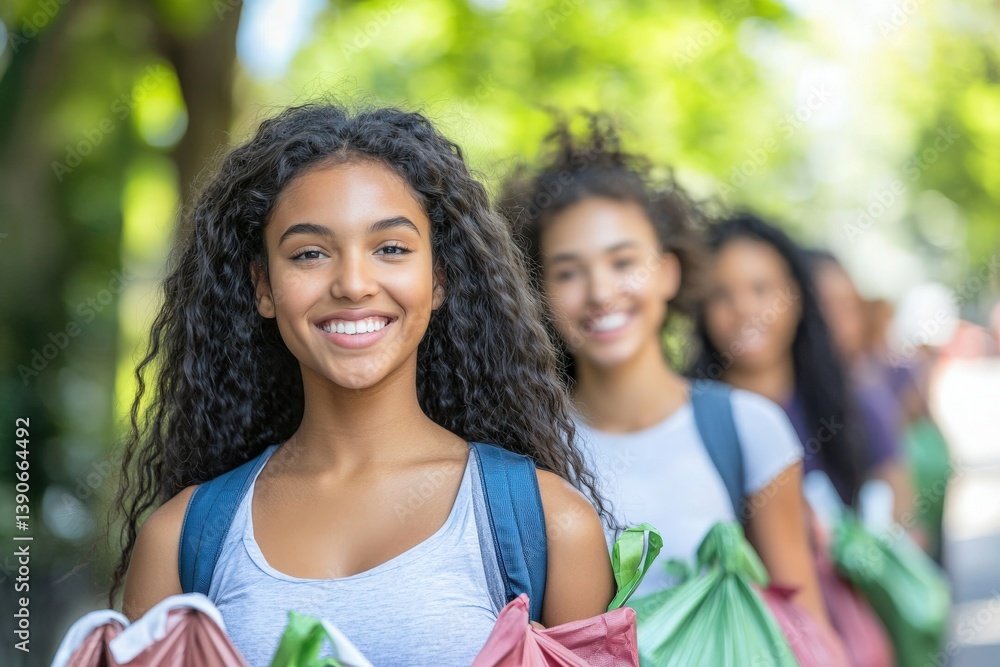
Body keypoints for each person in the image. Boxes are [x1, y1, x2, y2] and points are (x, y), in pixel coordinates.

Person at [110, 103, 614, 666]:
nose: (353, 283)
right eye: (310, 254)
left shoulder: (550, 527)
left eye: (391, 248)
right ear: (264, 287)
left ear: (439, 277)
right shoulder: (180, 541)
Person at [500, 117, 827, 623]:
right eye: (568, 272)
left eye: (623, 262)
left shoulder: (748, 428)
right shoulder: (519, 453)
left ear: (668, 272)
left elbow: (808, 629)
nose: (600, 292)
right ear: (539, 294)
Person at [693, 214, 902, 514]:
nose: (744, 309)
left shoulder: (849, 408)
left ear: (795, 297)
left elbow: (903, 521)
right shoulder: (689, 418)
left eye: (761, 289)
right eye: (721, 295)